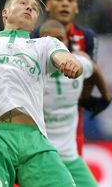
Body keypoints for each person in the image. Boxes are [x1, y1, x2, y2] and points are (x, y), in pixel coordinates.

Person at [0, 0, 85, 187]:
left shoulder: (44, 45)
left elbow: (67, 59)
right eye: (23, 3)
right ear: (5, 13)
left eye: (34, 8)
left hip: (34, 139)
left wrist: (71, 64)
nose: (29, 8)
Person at [45, 0, 112, 148]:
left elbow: (90, 76)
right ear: (48, 5)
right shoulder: (35, 35)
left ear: (76, 8)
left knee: (73, 159)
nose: (65, 3)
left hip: (70, 116)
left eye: (70, 0)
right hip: (40, 115)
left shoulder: (87, 37)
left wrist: (87, 97)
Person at [39, 19, 98, 187]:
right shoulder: (32, 69)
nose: (55, 44)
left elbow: (94, 69)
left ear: (66, 41)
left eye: (60, 39)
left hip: (70, 157)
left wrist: (104, 95)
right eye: (49, 40)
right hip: (41, 157)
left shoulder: (80, 62)